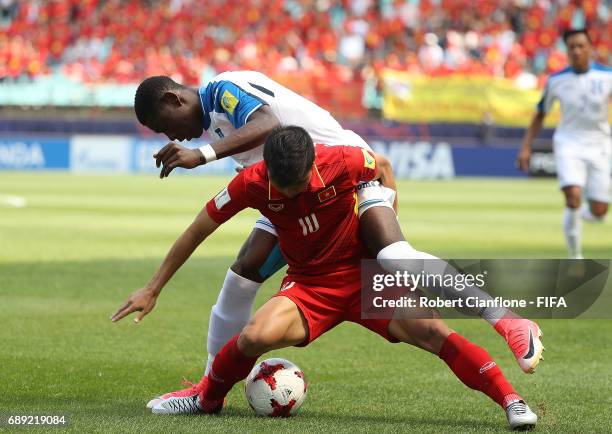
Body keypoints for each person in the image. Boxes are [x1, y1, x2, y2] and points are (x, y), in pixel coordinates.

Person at [112, 126, 538, 430]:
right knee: (255, 336)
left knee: (432, 332)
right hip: (311, 285)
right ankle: (207, 398)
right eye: (282, 186)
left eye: (297, 185)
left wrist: (386, 218)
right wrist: (154, 286)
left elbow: (382, 167)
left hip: (367, 277)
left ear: (314, 163)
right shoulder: (252, 183)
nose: (291, 194)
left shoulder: (347, 160)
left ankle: (511, 401)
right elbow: (198, 228)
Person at [134, 71, 543, 376]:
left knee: (396, 257)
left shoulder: (222, 90)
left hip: (349, 174)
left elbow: (269, 125)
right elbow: (204, 221)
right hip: (291, 191)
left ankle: (509, 322)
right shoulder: (217, 121)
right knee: (242, 273)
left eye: (164, 124)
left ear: (173, 98)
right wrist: (153, 287)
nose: (173, 136)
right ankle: (211, 382)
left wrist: (202, 155)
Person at [518, 29, 611, 259]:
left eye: (581, 46)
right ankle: (575, 257)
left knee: (600, 211)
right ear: (567, 51)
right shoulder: (556, 80)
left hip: (600, 144)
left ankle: (586, 214)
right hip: (569, 143)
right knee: (573, 195)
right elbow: (540, 115)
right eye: (572, 47)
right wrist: (526, 147)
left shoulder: (607, 76)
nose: (576, 51)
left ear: (590, 48)